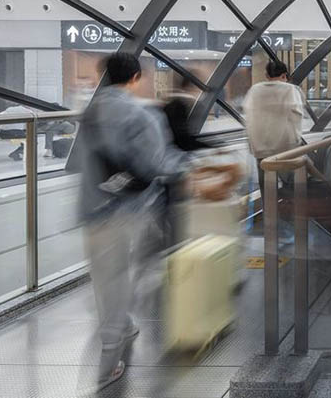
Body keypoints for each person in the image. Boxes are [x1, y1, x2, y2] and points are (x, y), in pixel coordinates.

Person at [77, 53, 235, 390]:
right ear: (134, 77)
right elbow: (159, 161)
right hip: (126, 209)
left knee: (106, 278)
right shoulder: (138, 113)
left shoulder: (90, 112)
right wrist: (205, 169)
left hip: (91, 207)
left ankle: (121, 326)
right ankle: (108, 365)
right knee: (123, 276)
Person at [243, 60, 306, 202]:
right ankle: (292, 214)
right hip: (286, 148)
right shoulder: (291, 90)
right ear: (285, 75)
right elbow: (298, 114)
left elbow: (248, 114)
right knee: (291, 186)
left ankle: (269, 217)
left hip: (261, 149)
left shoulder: (255, 90)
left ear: (266, 75)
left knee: (267, 189)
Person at [162, 73, 220, 153]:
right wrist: (212, 148)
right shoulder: (178, 106)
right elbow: (183, 141)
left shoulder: (173, 103)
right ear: (191, 86)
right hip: (174, 153)